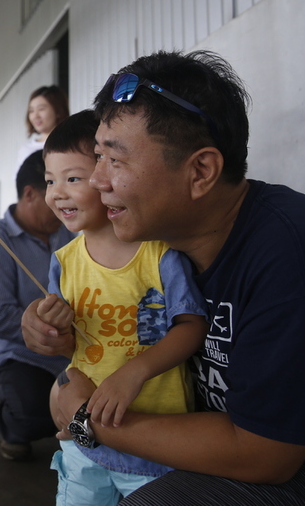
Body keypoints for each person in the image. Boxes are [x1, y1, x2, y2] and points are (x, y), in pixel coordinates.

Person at [22, 50, 305, 504]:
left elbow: (265, 456)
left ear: (200, 172)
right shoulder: (164, 248)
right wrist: (56, 338)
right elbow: (74, 381)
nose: (97, 181)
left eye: (115, 161)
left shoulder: (293, 259)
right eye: (97, 156)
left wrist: (89, 420)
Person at [37, 110, 208, 504]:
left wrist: (134, 374)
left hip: (154, 444)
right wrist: (52, 328)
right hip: (85, 445)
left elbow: (191, 326)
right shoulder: (64, 261)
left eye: (73, 178)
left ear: (105, 176)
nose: (57, 192)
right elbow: (69, 347)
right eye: (49, 181)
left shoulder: (160, 254)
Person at [0, 150, 75, 461]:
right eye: (52, 188)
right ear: (30, 194)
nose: (62, 202)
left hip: (75, 350)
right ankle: (12, 425)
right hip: (20, 355)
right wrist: (54, 327)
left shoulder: (69, 233)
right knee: (34, 412)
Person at [17, 85, 70, 171]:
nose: (35, 116)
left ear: (58, 111)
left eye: (41, 109)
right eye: (31, 111)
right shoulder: (26, 150)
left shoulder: (70, 144)